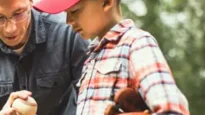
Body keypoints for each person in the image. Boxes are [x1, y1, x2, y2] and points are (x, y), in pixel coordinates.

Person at [34, 0, 190, 114]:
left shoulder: (136, 43)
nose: (68, 21)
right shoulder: (92, 57)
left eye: (74, 11)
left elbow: (173, 110)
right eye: (66, 14)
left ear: (107, 2)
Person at [0, 0, 89, 115]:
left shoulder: (69, 33)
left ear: (31, 1)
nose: (11, 29)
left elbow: (93, 102)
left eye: (19, 13)